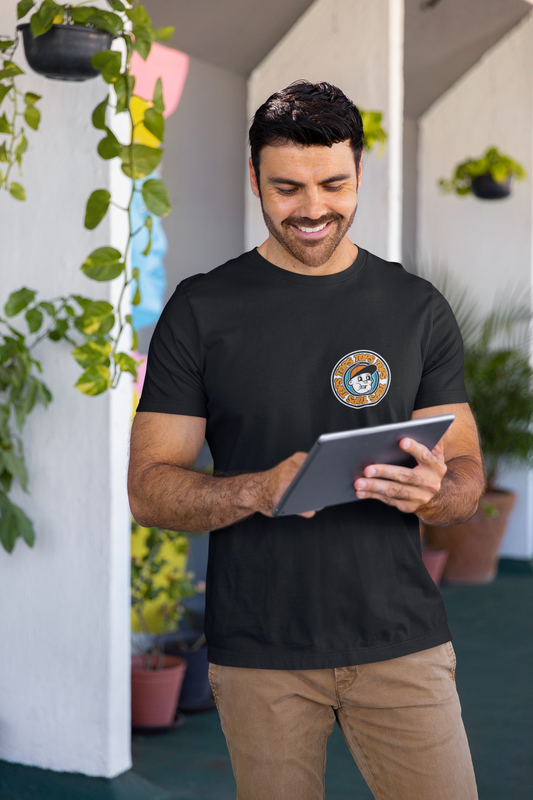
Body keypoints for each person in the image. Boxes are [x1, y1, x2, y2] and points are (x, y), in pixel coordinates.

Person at [128, 81, 485, 800]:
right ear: (253, 178)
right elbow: (150, 489)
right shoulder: (201, 309)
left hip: (401, 641)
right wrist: (257, 489)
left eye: (334, 184)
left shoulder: (415, 308)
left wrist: (436, 491)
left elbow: (468, 476)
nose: (313, 208)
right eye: (287, 187)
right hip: (261, 652)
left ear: (359, 175)